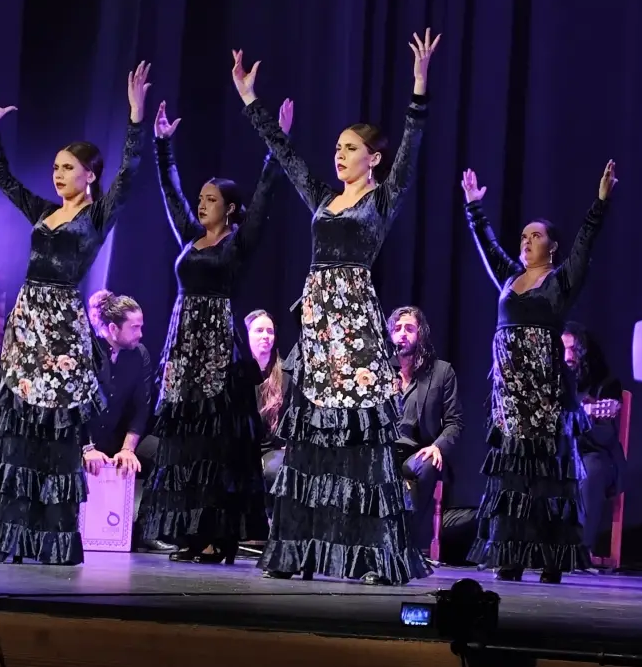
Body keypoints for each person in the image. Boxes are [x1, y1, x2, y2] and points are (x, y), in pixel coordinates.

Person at [231, 29, 440, 585]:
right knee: (316, 434)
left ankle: (366, 554)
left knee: (356, 436)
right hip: (321, 329)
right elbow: (287, 155)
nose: (339, 155)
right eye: (339, 147)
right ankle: (309, 550)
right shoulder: (324, 198)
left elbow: (413, 151)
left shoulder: (383, 197)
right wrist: (252, 102)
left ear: (373, 158)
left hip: (354, 326)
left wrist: (419, 87)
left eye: (351, 148)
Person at [0, 63, 151, 565]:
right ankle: (7, 538)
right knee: (19, 430)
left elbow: (130, 175)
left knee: (54, 434)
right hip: (27, 327)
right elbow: (4, 178)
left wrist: (136, 118)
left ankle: (51, 539)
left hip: (61, 331)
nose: (57, 174)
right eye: (55, 167)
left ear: (90, 174)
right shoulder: (43, 211)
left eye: (68, 167)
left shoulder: (96, 214)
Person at [139, 99, 291, 564]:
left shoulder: (237, 243)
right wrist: (162, 146)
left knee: (216, 447)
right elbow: (172, 196)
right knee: (184, 447)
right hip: (184, 348)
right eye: (201, 198)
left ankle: (219, 538)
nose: (202, 204)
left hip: (216, 356)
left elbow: (265, 194)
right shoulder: (190, 237)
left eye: (211, 199)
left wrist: (275, 143)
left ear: (228, 208)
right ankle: (190, 534)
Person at [461, 158, 616, 583]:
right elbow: (489, 248)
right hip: (510, 394)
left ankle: (551, 560)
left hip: (545, 391)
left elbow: (586, 242)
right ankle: (510, 555)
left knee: (547, 476)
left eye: (536, 236)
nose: (527, 241)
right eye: (524, 235)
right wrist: (474, 207)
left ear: (552, 247)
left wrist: (600, 202)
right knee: (514, 476)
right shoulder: (510, 279)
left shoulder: (561, 280)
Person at [84, 290, 172, 554]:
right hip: (82, 439)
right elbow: (76, 405)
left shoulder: (140, 354)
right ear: (113, 328)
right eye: (134, 327)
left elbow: (141, 408)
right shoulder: (87, 350)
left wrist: (128, 448)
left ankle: (146, 531)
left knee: (164, 453)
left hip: (119, 438)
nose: (140, 333)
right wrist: (86, 448)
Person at [387, 305, 463, 554]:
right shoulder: (379, 371)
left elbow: (454, 423)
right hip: (383, 449)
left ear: (421, 334)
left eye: (409, 328)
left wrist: (437, 446)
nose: (402, 334)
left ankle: (407, 544)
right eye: (397, 329)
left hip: (416, 452)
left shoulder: (441, 372)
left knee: (429, 463)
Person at [561, 321, 626, 553]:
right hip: (562, 452)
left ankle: (581, 551)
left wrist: (584, 418)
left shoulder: (605, 383)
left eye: (572, 349)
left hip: (595, 452)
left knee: (590, 473)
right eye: (563, 349)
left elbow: (606, 436)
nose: (567, 357)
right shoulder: (557, 383)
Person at [247, 309, 289, 507]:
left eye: (270, 331)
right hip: (242, 448)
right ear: (247, 334)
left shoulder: (286, 376)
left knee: (274, 469)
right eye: (259, 330)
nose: (265, 336)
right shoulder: (236, 373)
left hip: (272, 448)